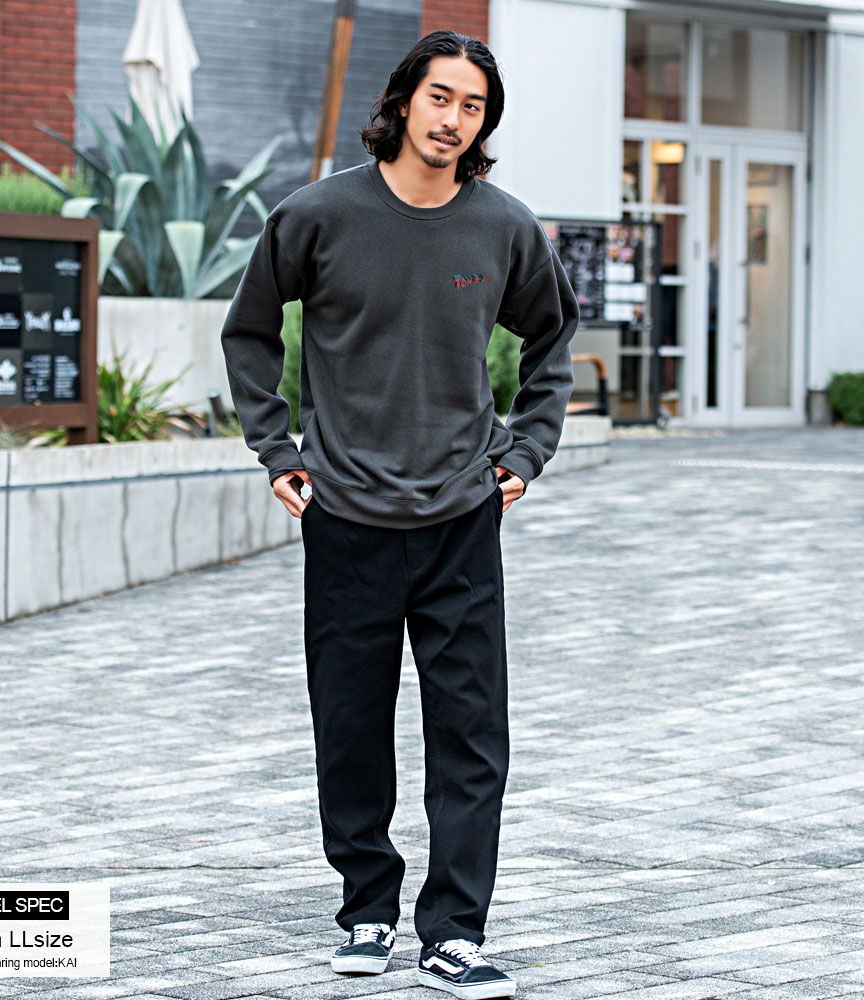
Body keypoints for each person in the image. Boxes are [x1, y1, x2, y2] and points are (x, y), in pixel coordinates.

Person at [220, 28, 580, 1000]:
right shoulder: (318, 215)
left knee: (471, 736)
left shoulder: (502, 227)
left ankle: (453, 931)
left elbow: (552, 339)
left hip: (463, 517)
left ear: (483, 123)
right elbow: (249, 331)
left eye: (472, 106)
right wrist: (277, 449)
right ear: (403, 100)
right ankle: (367, 909)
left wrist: (525, 451)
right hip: (347, 518)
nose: (452, 119)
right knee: (350, 727)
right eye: (439, 97)